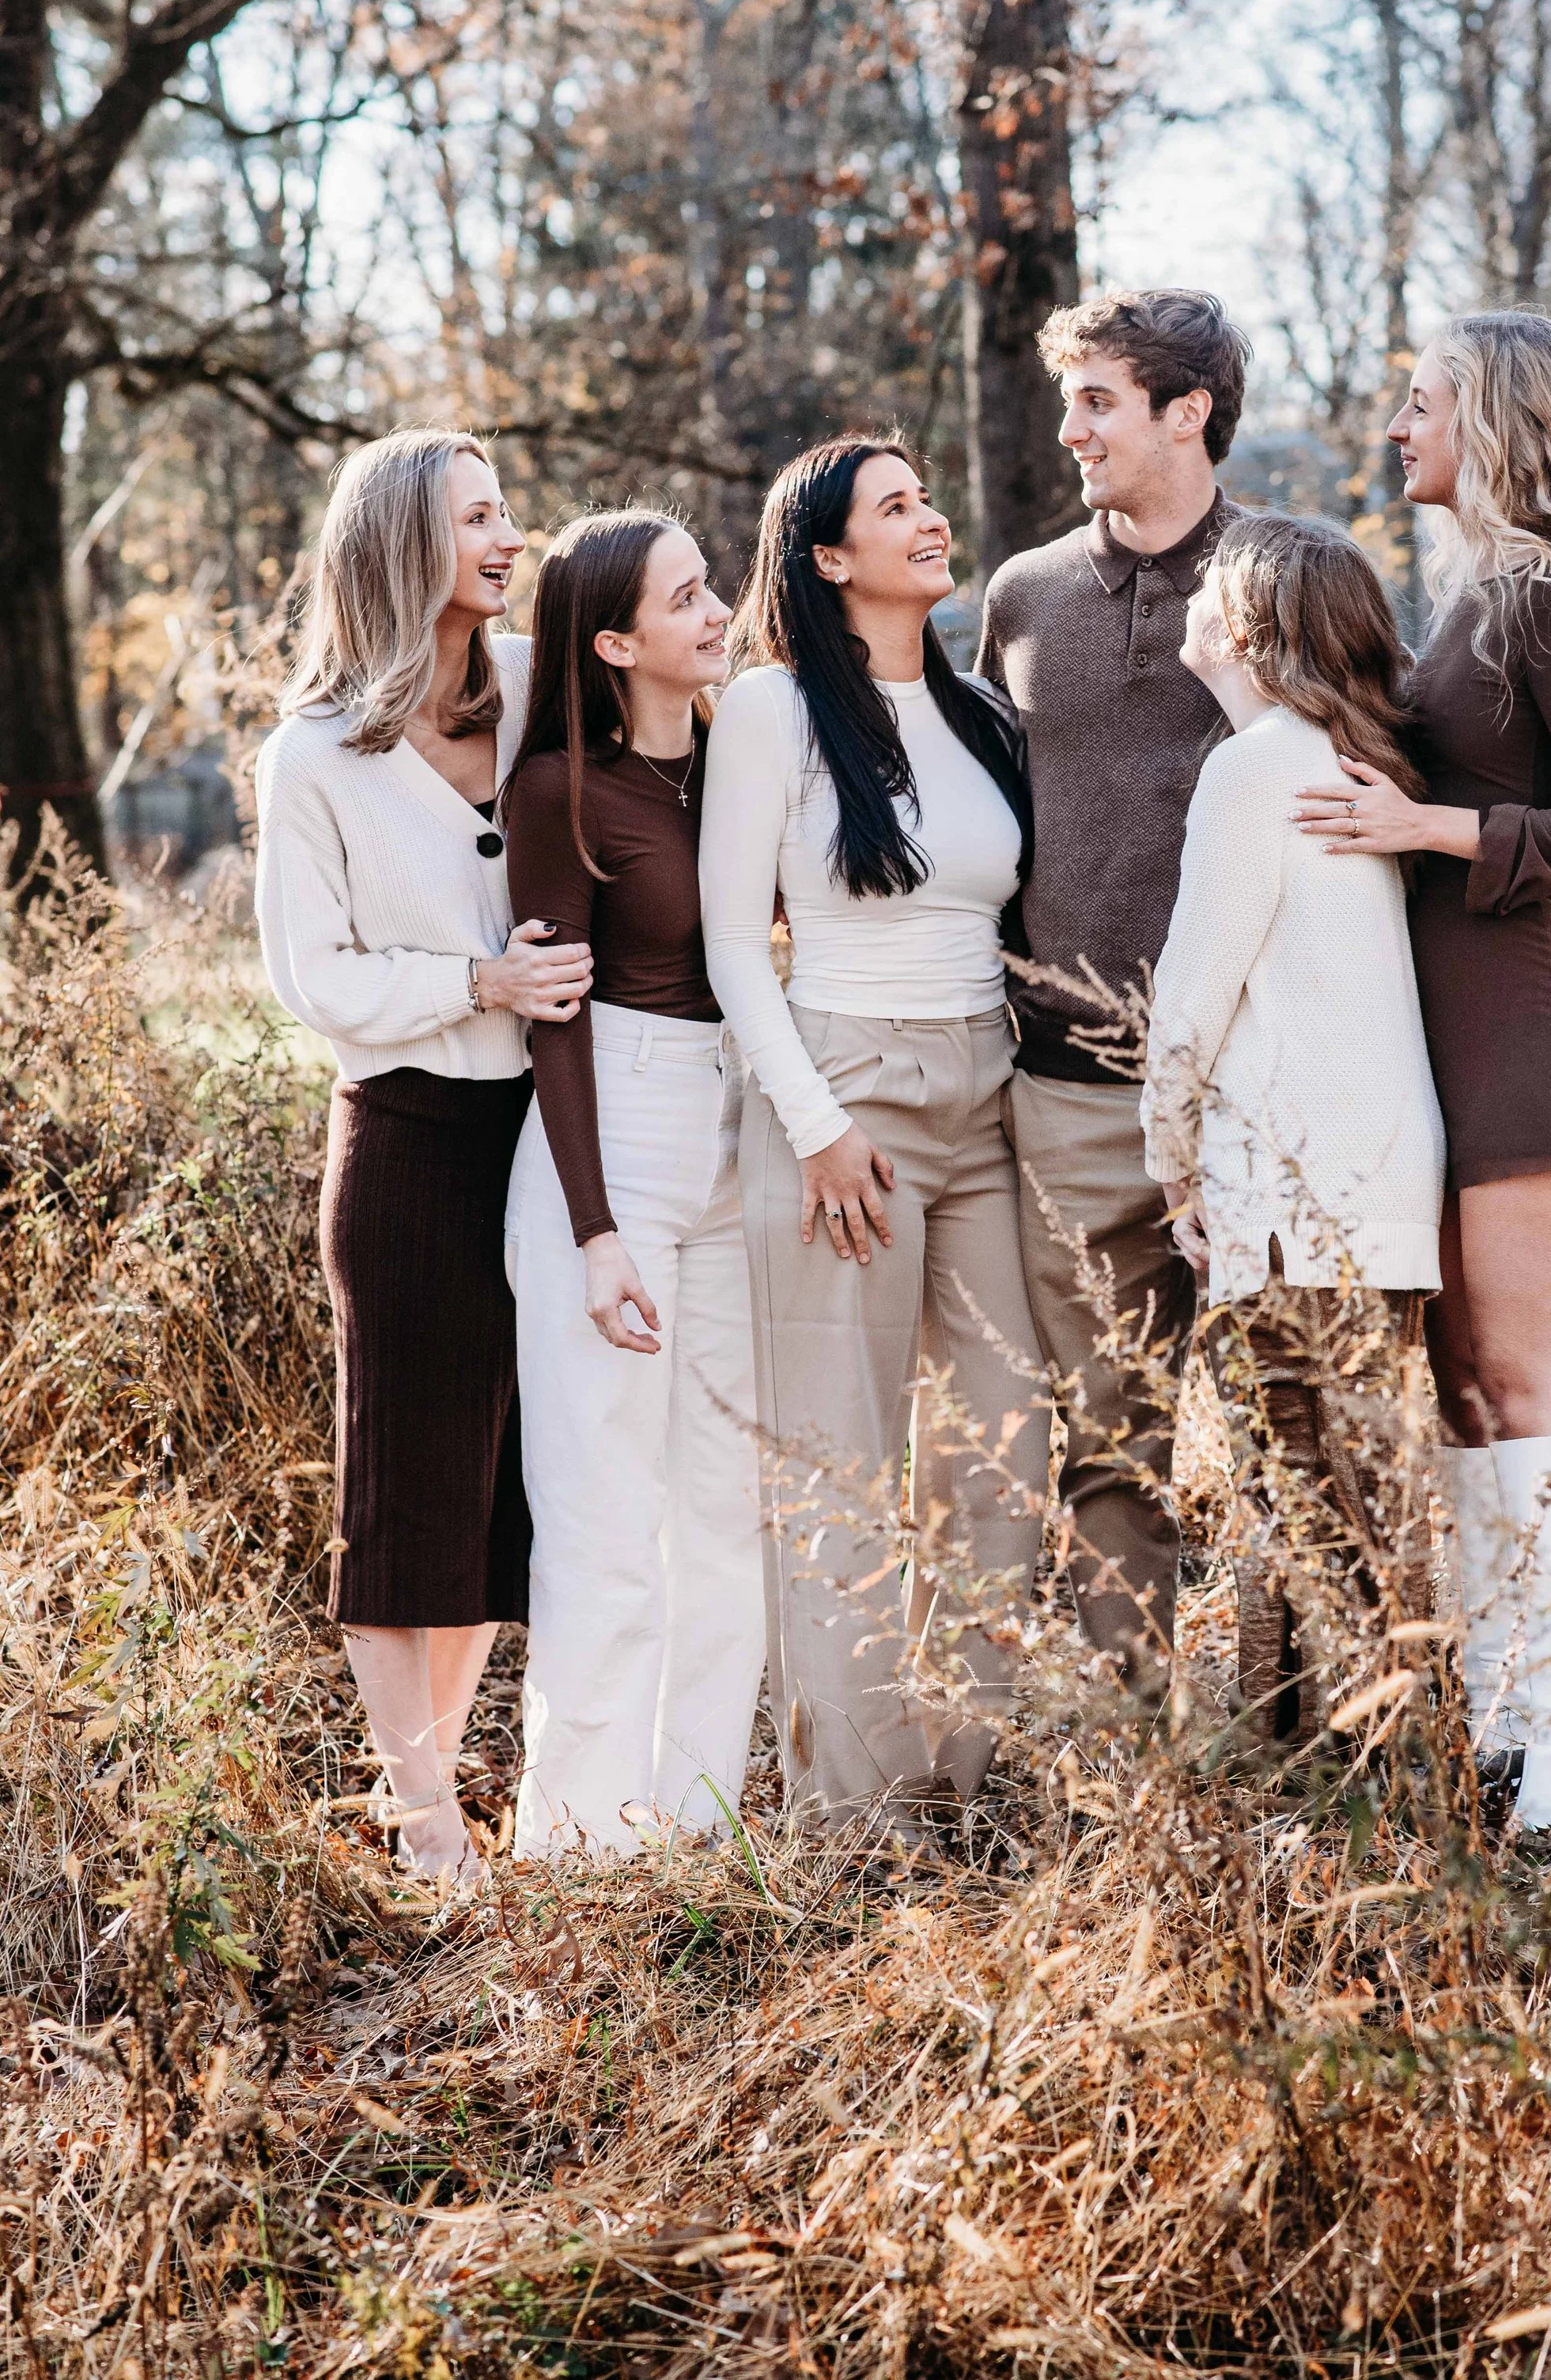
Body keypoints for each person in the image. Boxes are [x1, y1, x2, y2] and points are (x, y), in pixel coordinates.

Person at [1295, 311, 1551, 1827]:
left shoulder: (1546, 598)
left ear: (1497, 419)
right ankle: (1505, 1707)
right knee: (1461, 1386)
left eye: (1422, 402)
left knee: (1527, 1380)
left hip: (1523, 1030)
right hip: (1433, 1046)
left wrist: (1429, 830)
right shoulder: (1465, 596)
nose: (1401, 427)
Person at [255, 427, 592, 1883]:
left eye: (508, 514)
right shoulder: (315, 752)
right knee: (407, 1488)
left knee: (498, 1493)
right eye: (478, 519)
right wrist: (478, 986)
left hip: (553, 1135)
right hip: (408, 1141)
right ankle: (426, 1820)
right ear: (403, 547)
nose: (509, 539)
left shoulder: (532, 694)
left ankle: (431, 1789)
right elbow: (312, 978)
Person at [699, 438, 1050, 1840]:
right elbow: (734, 942)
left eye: (927, 497)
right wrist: (819, 1124)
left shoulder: (976, 715)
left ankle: (952, 1796)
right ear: (828, 556)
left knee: (1004, 1452)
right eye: (894, 506)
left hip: (987, 1095)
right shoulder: (772, 710)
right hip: (844, 1089)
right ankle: (853, 1829)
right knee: (842, 1463)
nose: (931, 516)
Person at [977, 286, 1250, 1692]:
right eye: (1070, 397)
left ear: (1185, 412)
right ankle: (1134, 1753)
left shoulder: (1293, 575)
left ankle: (1309, 1745)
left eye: (1097, 400)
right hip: (1073, 1089)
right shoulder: (1021, 598)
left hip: (1264, 1097)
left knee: (1294, 1435)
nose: (1069, 427)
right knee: (1108, 1434)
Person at [1142, 516, 1445, 1737]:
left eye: (1212, 590)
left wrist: (1170, 1164)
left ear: (1254, 626)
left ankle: (1295, 1772)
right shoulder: (1354, 759)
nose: (1192, 603)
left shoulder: (1256, 766)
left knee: (1288, 1491)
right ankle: (1387, 1758)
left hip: (1290, 1195)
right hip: (1381, 1184)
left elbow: (1192, 995)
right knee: (1366, 1492)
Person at [500, 509, 762, 1857]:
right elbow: (557, 1016)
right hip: (614, 1133)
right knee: (606, 1507)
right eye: (684, 599)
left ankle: (698, 1823)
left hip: (738, 1132)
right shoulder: (559, 789)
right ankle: (584, 1842)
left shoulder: (730, 762)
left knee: (723, 1507)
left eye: (710, 587)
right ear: (613, 642)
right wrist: (595, 1227)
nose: (717, 611)